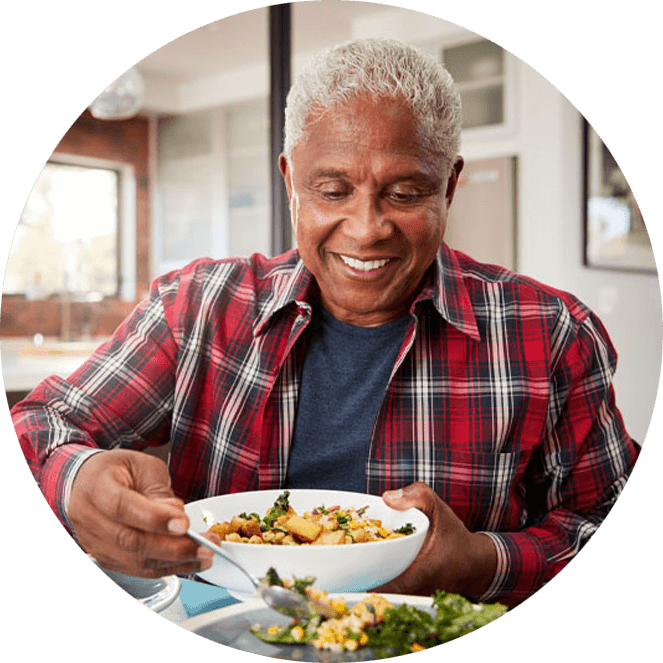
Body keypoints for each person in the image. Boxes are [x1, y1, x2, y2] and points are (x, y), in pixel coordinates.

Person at [13, 38, 639, 609]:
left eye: (404, 192)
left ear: (448, 187)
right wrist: (76, 481)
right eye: (332, 190)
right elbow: (41, 423)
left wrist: (483, 561)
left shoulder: (551, 333)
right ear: (290, 183)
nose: (367, 229)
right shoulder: (198, 306)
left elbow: (601, 512)